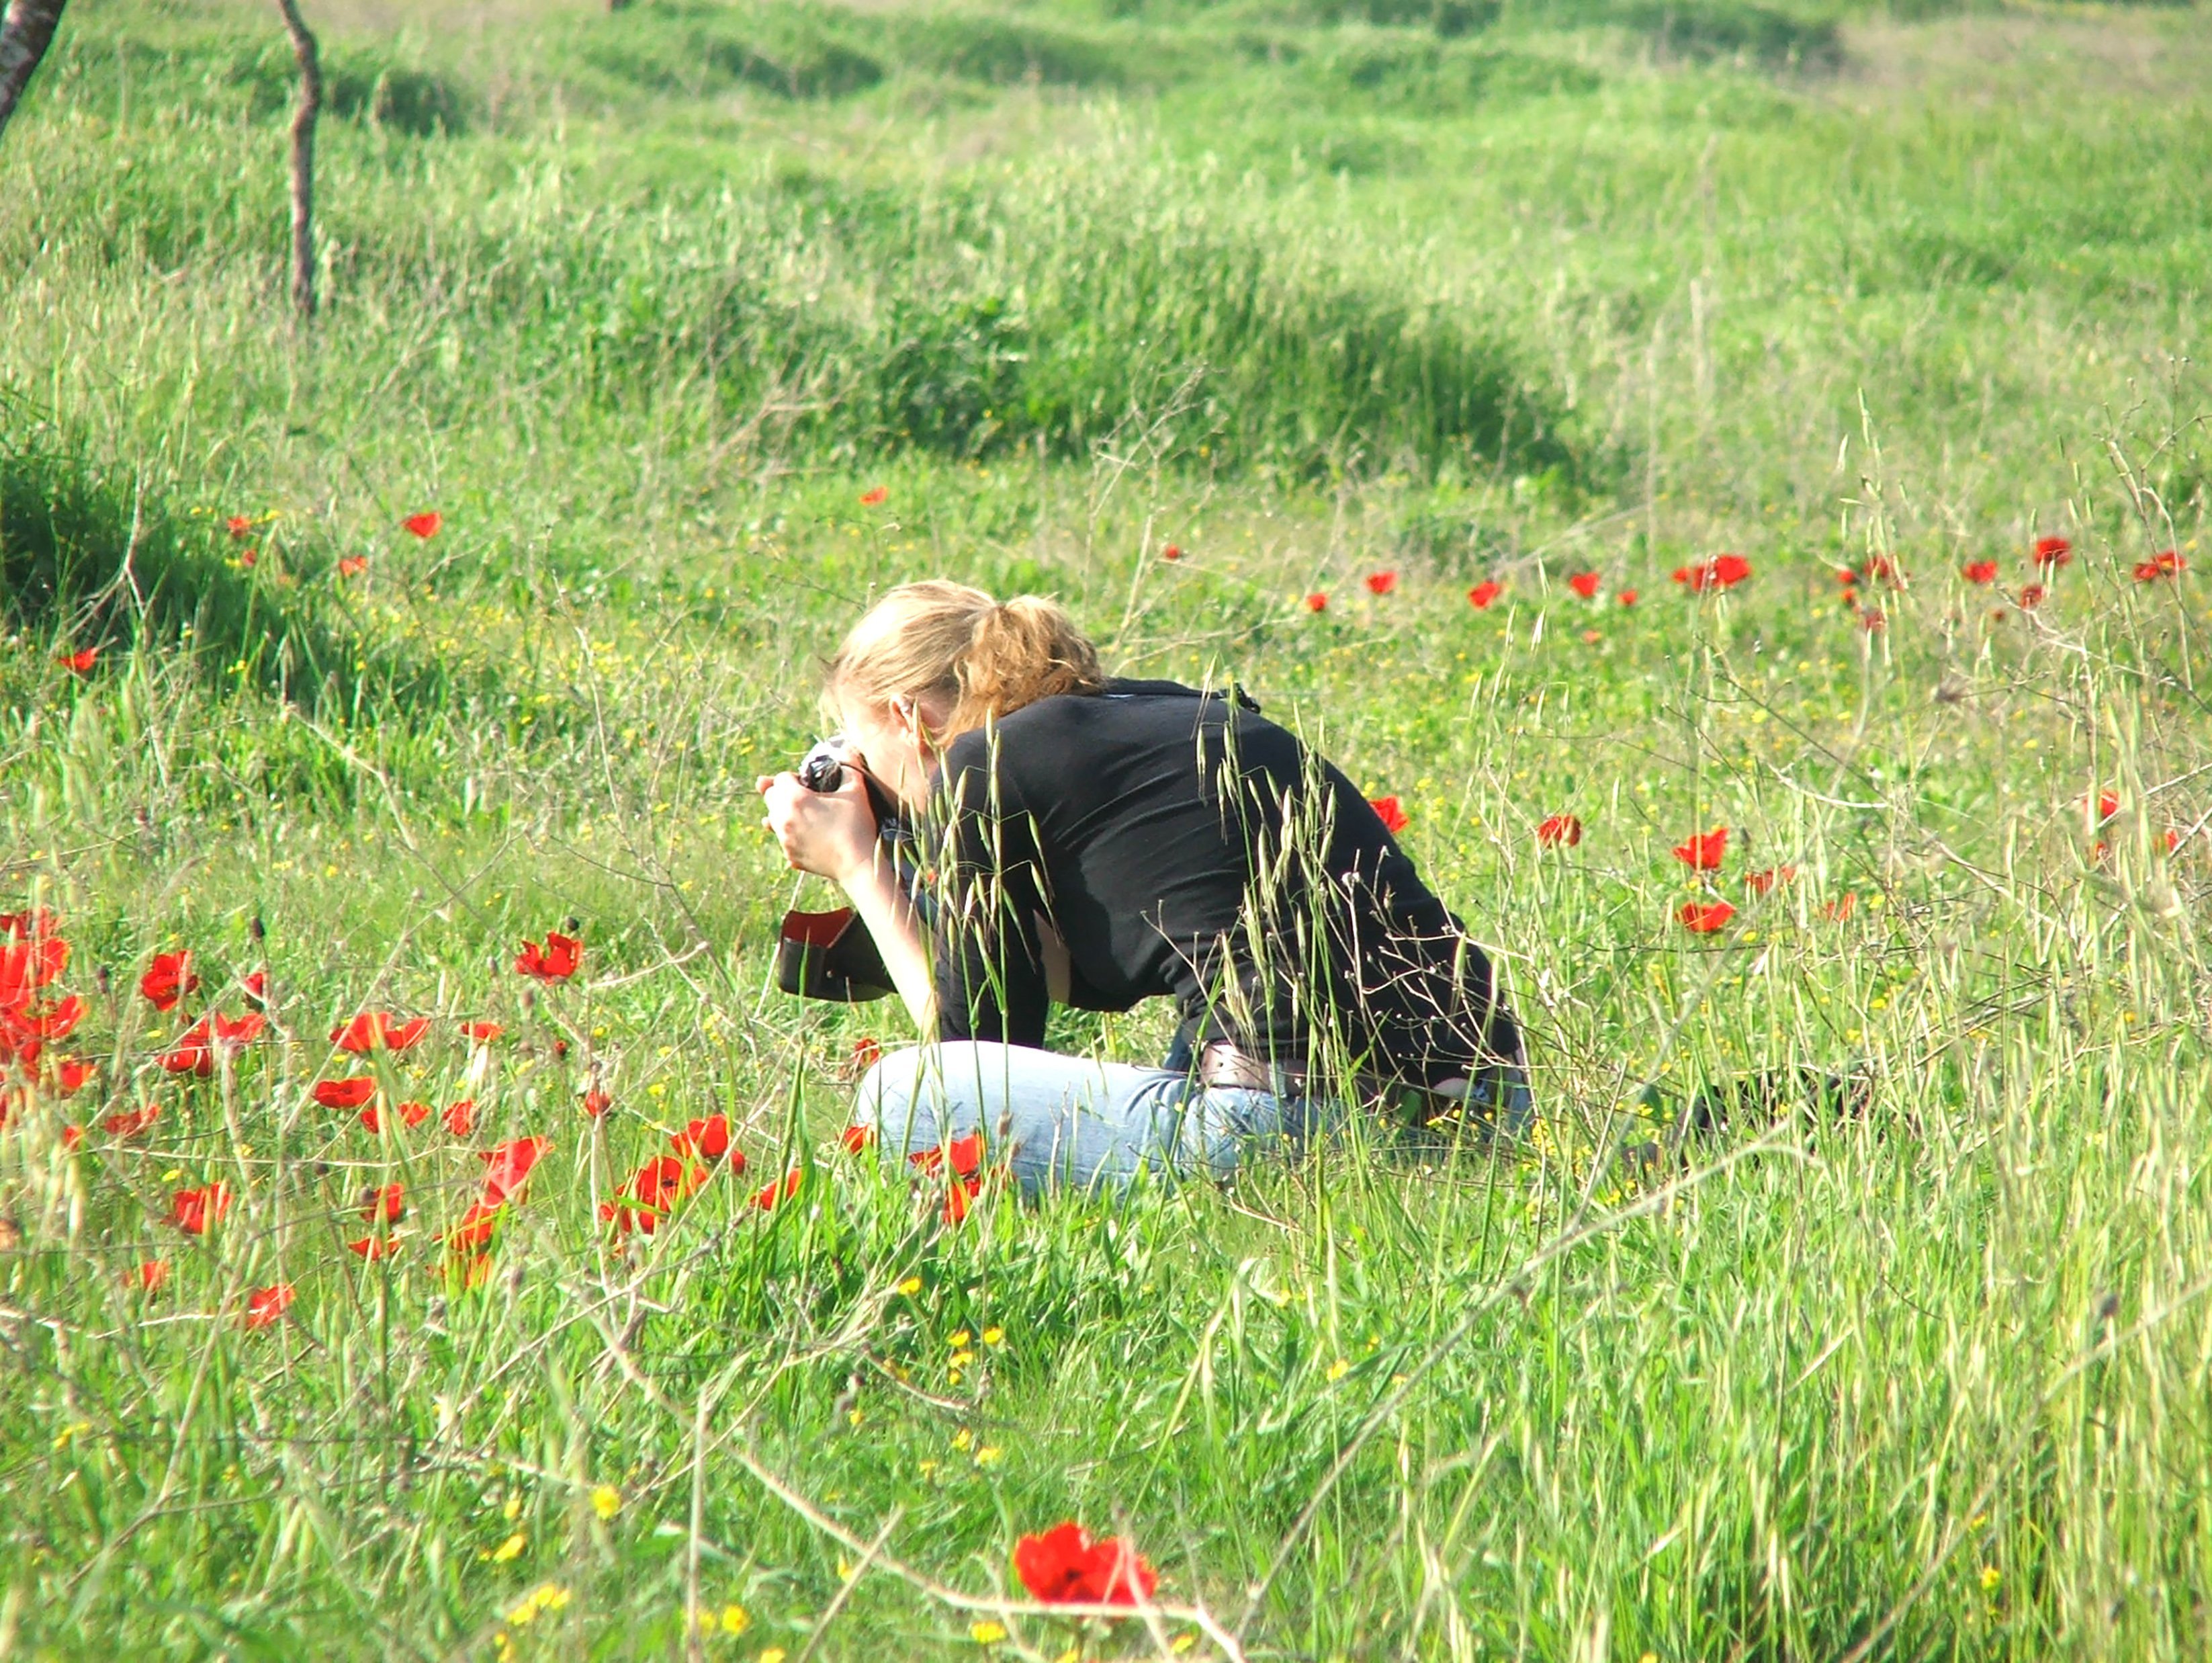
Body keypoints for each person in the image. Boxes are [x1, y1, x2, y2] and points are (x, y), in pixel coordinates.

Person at [756, 580, 1530, 1200]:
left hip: (1289, 1126)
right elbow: (1082, 969)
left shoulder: (979, 765)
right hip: (1483, 1106)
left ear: (905, 717)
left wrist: (858, 864)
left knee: (904, 1095)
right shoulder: (1169, 714)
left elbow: (974, 1060)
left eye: (858, 750)